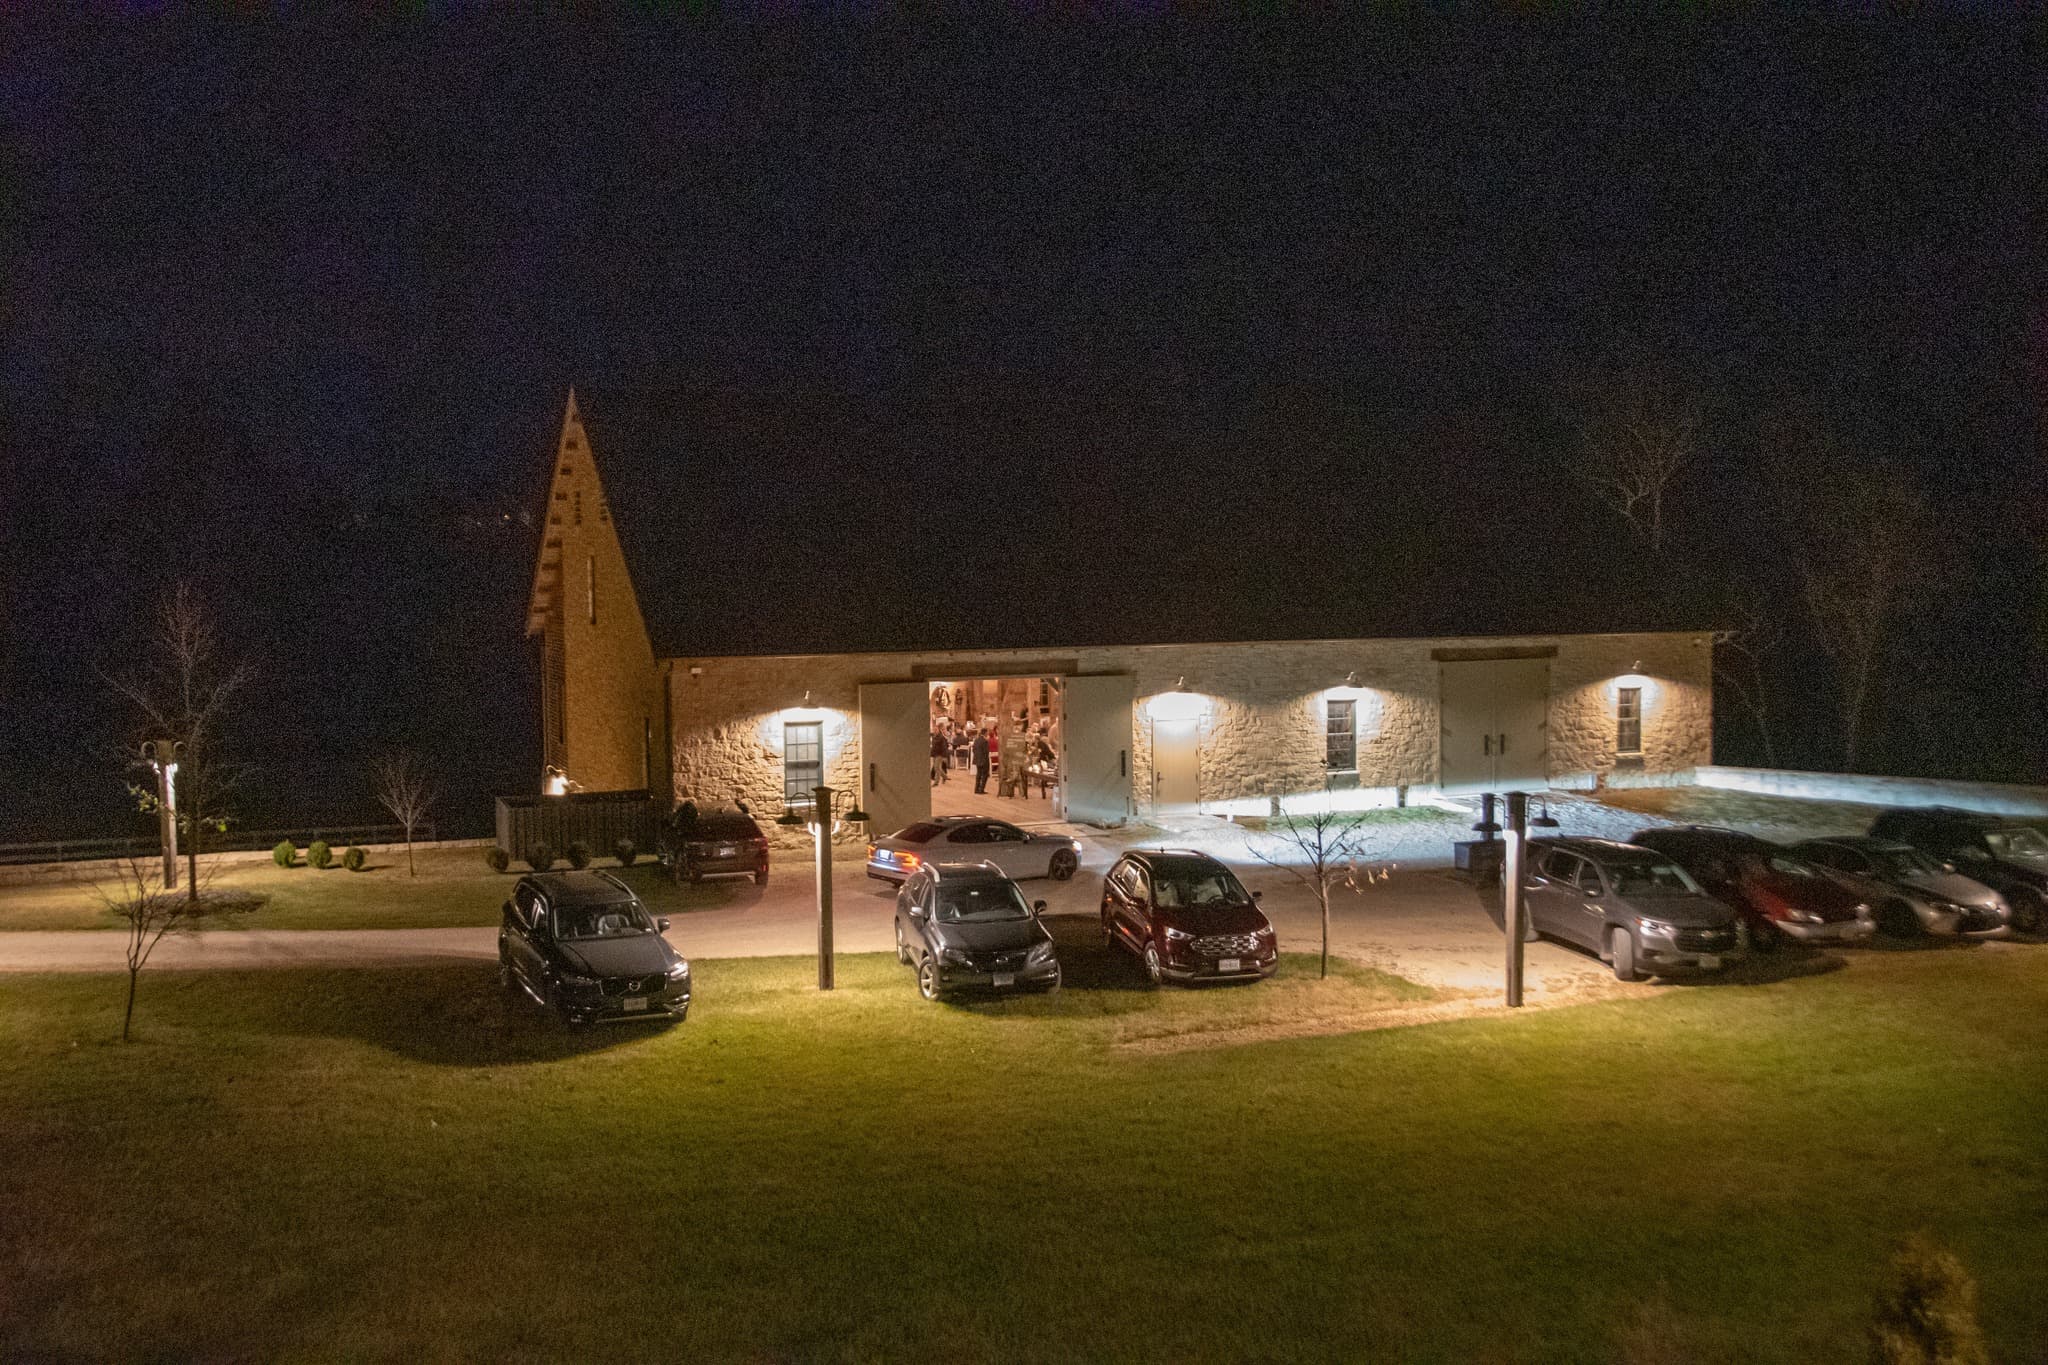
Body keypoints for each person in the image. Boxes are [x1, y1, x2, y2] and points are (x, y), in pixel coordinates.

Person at [971, 726, 991, 794]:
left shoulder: (976, 740)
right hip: (984, 760)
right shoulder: (985, 741)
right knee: (985, 775)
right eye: (987, 732)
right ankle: (981, 789)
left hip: (977, 759)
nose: (988, 733)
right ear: (985, 733)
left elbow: (973, 749)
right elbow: (986, 751)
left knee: (978, 775)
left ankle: (976, 789)